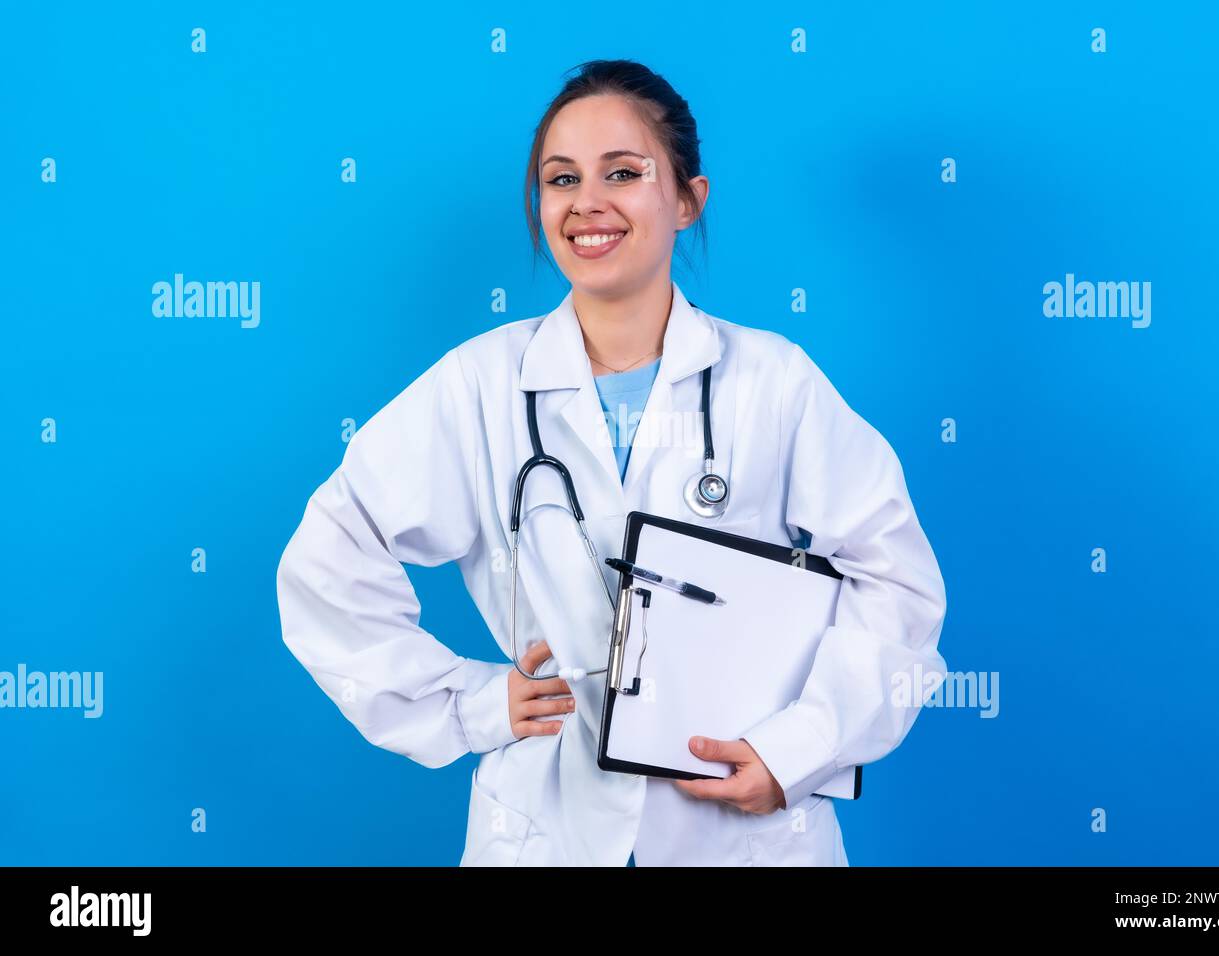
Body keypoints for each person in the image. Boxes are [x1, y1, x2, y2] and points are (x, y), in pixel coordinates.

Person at [275, 58, 947, 866]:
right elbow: (327, 561)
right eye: (561, 180)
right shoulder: (480, 385)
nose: (587, 203)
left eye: (623, 173)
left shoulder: (775, 383)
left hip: (742, 830)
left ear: (688, 200)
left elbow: (898, 584)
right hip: (545, 821)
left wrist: (798, 749)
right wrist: (471, 705)